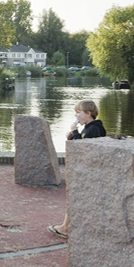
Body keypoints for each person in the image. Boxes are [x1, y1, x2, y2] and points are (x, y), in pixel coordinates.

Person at [48, 99, 107, 238]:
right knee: (76, 199)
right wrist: (72, 137)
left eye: (78, 112)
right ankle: (68, 226)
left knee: (75, 198)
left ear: (88, 113)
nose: (76, 116)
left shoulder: (93, 129)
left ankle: (66, 228)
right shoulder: (91, 128)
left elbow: (84, 147)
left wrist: (75, 133)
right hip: (87, 169)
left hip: (88, 171)